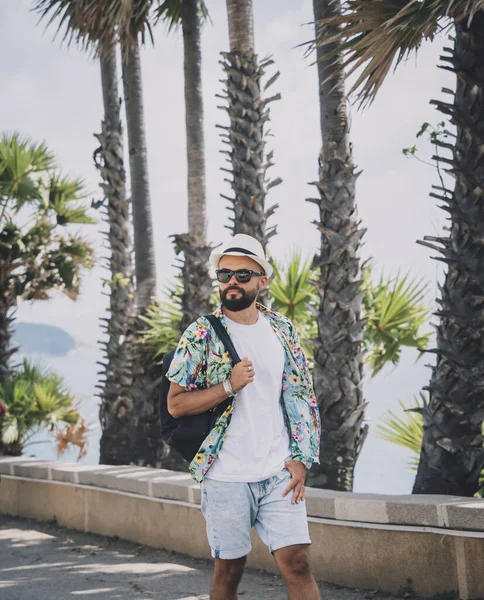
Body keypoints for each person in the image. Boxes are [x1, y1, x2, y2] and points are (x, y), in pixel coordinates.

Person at [167, 233, 321, 600]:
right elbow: (175, 404)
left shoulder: (282, 330)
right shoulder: (200, 334)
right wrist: (228, 387)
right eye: (224, 275)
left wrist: (302, 458)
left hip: (277, 473)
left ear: (261, 281)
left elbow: (301, 395)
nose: (232, 282)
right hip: (226, 476)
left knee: (297, 563)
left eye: (242, 274)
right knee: (229, 572)